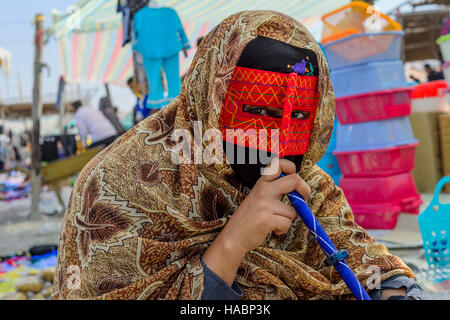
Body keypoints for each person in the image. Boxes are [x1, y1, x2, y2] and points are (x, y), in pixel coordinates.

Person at [53, 11, 424, 300]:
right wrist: (233, 242)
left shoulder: (308, 182)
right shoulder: (121, 183)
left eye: (299, 117)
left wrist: (392, 289)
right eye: (259, 111)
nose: (279, 139)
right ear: (211, 97)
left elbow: (352, 249)